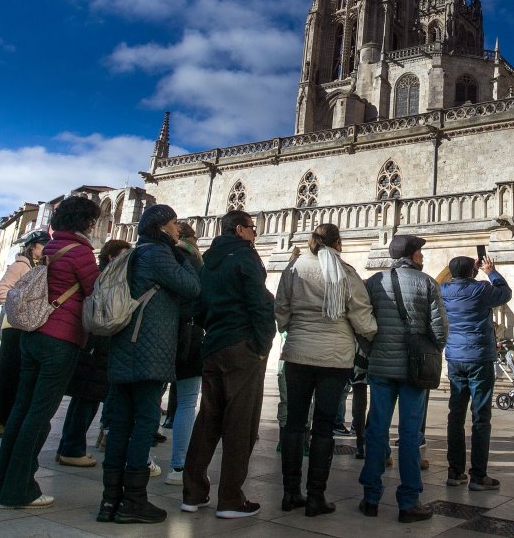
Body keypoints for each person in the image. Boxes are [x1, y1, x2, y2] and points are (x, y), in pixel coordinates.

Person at [0, 195, 101, 509]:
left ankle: (3, 487)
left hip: (33, 336)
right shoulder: (80, 252)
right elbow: (95, 291)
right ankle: (19, 490)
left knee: (22, 411)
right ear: (87, 222)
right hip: (60, 339)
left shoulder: (50, 248)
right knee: (39, 416)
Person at [99, 205, 201, 524]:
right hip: (148, 347)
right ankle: (134, 500)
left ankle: (110, 500)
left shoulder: (134, 253)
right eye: (172, 224)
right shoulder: (158, 254)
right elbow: (192, 287)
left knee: (121, 423)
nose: (176, 229)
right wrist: (185, 255)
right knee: (144, 421)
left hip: (125, 346)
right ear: (159, 227)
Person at [276, 223, 377, 517]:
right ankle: (315, 497)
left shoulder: (293, 269)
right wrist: (372, 336)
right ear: (338, 243)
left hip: (297, 354)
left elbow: (281, 307)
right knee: (323, 427)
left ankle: (290, 493)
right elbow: (362, 316)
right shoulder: (345, 273)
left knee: (294, 423)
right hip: (335, 359)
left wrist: (291, 330)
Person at [181, 210, 275, 519]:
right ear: (239, 229)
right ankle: (231, 499)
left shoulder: (208, 262)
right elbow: (260, 304)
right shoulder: (245, 257)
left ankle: (193, 493)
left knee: (208, 419)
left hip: (214, 346)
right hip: (241, 347)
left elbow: (198, 306)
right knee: (240, 423)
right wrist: (262, 345)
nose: (255, 234)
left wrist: (214, 328)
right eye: (252, 228)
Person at [358, 234, 446, 524]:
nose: (423, 257)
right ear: (413, 254)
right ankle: (409, 502)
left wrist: (374, 350)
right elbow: (440, 330)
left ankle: (370, 498)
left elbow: (363, 324)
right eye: (421, 252)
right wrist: (430, 350)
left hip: (381, 369)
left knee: (376, 431)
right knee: (409, 435)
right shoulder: (427, 283)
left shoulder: (374, 283)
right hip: (413, 370)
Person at [56, 239, 131, 469]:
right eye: (124, 256)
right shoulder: (105, 280)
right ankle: (72, 448)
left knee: (84, 398)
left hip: (93, 346)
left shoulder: (101, 277)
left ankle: (69, 446)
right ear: (111, 257)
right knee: (87, 398)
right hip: (96, 346)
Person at [440, 254, 511, 491]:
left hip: (455, 358)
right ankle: (479, 475)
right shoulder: (481, 289)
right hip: (479, 358)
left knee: (455, 415)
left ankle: (454, 471)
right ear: (473, 271)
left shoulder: (444, 290)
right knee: (481, 417)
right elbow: (505, 292)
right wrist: (491, 271)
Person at [0, 229, 49, 438]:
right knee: (7, 375)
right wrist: (20, 308)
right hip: (14, 327)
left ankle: (8, 419)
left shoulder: (39, 267)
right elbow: (2, 290)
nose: (46, 248)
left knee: (19, 376)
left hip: (28, 327)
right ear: (32, 247)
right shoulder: (20, 266)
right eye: (43, 244)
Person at [166, 222, 205, 485]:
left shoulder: (159, 255)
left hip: (159, 333)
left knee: (147, 400)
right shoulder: (196, 261)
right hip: (189, 335)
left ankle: (140, 458)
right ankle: (178, 466)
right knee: (188, 402)